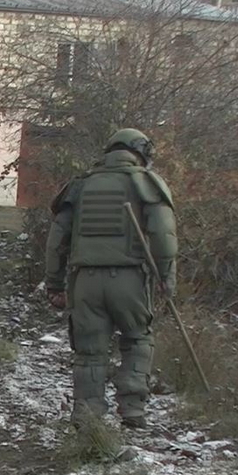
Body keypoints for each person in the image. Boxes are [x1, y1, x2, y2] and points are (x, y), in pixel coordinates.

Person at [44, 128, 177, 428]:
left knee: (89, 350)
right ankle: (132, 409)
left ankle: (88, 415)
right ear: (141, 152)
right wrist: (166, 276)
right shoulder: (146, 184)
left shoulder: (80, 186)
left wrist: (53, 284)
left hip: (85, 282)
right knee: (138, 338)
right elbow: (164, 236)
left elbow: (56, 241)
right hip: (129, 280)